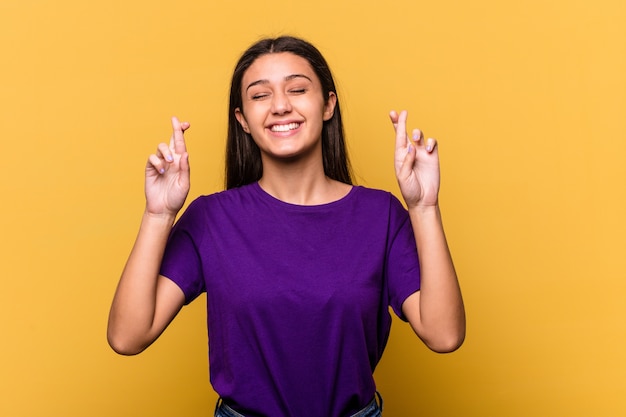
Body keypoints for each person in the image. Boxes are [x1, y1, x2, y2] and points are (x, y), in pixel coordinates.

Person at [107, 36, 465, 417]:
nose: (280, 106)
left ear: (328, 104)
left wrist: (424, 207)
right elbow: (128, 336)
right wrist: (158, 215)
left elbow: (444, 335)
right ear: (242, 119)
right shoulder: (212, 219)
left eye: (297, 89)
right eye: (260, 96)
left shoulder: (382, 215)